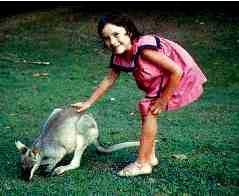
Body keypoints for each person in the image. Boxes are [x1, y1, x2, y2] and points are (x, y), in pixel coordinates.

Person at [71, 14, 207, 177]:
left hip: (177, 76)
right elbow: (109, 79)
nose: (112, 42)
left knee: (150, 111)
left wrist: (163, 100)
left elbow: (176, 71)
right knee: (147, 112)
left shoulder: (145, 49)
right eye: (106, 38)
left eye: (116, 34)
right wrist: (89, 102)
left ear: (128, 31)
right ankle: (150, 156)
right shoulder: (120, 55)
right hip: (160, 80)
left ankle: (142, 163)